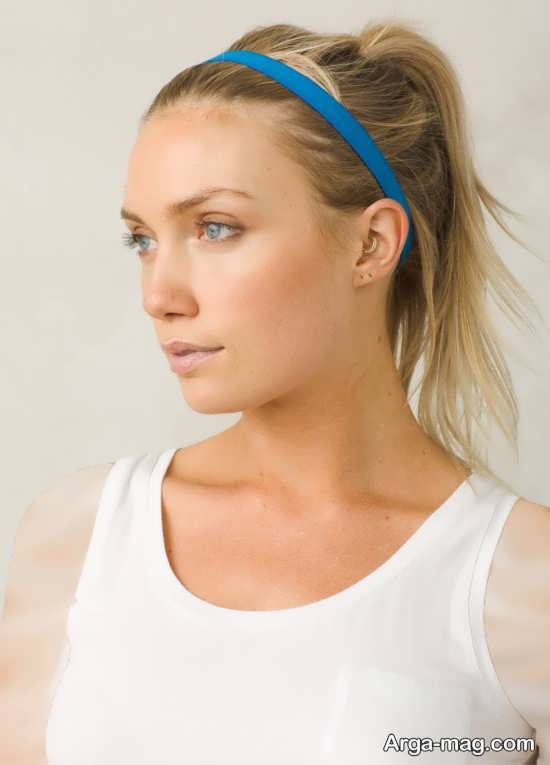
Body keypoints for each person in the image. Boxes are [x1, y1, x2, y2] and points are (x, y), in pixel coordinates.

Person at [1, 19, 548, 765]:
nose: (159, 295)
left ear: (370, 244)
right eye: (143, 239)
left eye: (215, 228)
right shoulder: (78, 536)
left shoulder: (525, 582)